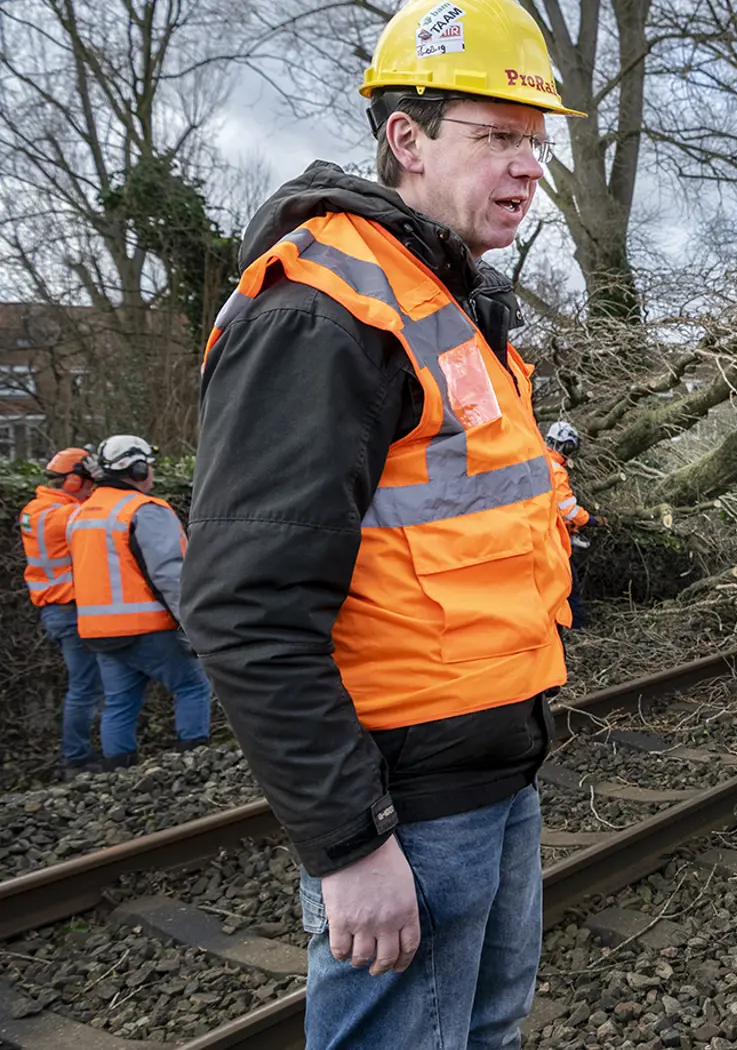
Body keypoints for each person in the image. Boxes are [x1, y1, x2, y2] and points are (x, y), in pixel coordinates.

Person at [181, 1, 577, 1045]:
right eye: (495, 136)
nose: (527, 167)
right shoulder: (327, 305)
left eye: (534, 142)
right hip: (406, 800)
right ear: (405, 138)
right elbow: (241, 604)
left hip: (493, 771)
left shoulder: (443, 297)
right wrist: (351, 846)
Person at [64, 435, 213, 769]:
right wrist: (193, 625)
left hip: (99, 632)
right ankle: (194, 764)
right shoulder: (144, 511)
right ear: (137, 467)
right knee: (193, 686)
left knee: (119, 702)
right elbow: (171, 575)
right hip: (147, 627)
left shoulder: (80, 514)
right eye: (149, 466)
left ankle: (119, 774)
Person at [19, 446, 106, 776]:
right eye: (87, 483)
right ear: (71, 482)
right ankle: (77, 758)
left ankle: (80, 754)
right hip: (70, 611)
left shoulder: (35, 509)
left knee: (86, 686)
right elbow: (101, 514)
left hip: (54, 610)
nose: (90, 489)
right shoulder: (65, 516)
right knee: (85, 688)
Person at [544, 420, 591, 630]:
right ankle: (579, 628)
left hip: (539, 535)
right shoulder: (557, 470)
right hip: (552, 539)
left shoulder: (537, 460)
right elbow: (569, 510)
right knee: (570, 586)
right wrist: (590, 519)